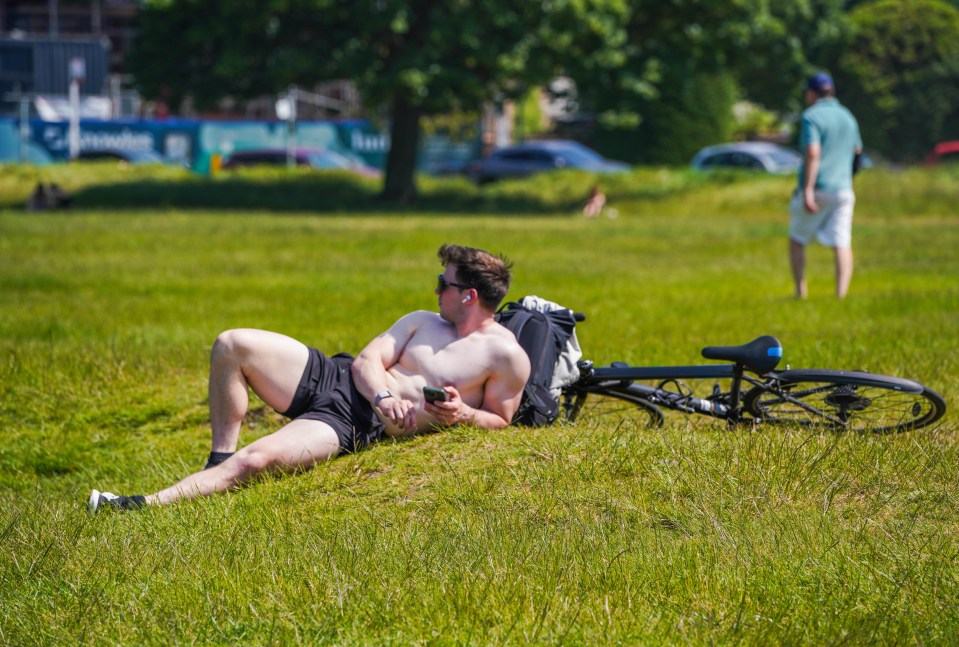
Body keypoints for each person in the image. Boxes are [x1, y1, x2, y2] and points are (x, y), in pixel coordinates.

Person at [88, 244, 531, 512]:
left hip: (354, 421)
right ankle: (216, 459)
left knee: (256, 461)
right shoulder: (422, 319)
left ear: (469, 295)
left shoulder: (506, 356)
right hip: (337, 376)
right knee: (231, 343)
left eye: (444, 283)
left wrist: (462, 414)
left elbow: (501, 419)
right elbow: (365, 361)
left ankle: (138, 505)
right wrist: (381, 393)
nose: (436, 290)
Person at [789, 71, 863, 299]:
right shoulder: (847, 116)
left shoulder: (812, 116)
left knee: (797, 239)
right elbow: (857, 153)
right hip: (843, 188)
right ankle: (841, 294)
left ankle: (801, 291)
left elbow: (813, 152)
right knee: (841, 241)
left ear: (812, 93)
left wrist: (808, 190)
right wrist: (848, 179)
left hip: (819, 186)